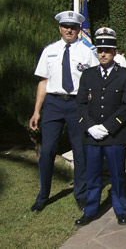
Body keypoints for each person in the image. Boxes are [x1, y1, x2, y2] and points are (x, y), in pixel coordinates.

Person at [29, 11, 99, 213]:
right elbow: (43, 82)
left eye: (74, 27)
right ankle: (43, 196)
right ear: (60, 28)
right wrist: (36, 111)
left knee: (80, 151)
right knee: (48, 150)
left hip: (77, 104)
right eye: (66, 26)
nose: (69, 30)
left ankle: (81, 194)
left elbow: (93, 83)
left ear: (79, 29)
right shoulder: (49, 50)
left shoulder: (88, 51)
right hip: (53, 104)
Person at [75, 29, 126, 226]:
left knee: (117, 174)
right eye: (100, 50)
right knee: (92, 174)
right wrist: (90, 127)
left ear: (115, 52)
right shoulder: (88, 75)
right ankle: (90, 210)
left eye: (107, 50)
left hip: (114, 135)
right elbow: (81, 104)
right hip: (92, 135)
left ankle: (121, 209)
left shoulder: (125, 76)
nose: (103, 54)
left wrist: (108, 127)